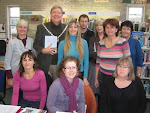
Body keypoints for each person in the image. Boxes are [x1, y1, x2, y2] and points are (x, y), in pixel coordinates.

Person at [94, 18, 131, 112]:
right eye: (107, 27)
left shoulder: (123, 42)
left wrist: (128, 78)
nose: (110, 30)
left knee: (117, 102)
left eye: (112, 27)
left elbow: (128, 62)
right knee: (103, 100)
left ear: (116, 29)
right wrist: (96, 78)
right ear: (104, 29)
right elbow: (98, 62)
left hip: (117, 77)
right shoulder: (101, 43)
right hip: (103, 77)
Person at [33, 5, 67, 89]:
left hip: (59, 64)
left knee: (58, 88)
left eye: (59, 12)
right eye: (54, 12)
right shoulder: (42, 27)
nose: (56, 14)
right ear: (50, 14)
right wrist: (43, 50)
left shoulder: (66, 28)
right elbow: (35, 44)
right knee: (44, 88)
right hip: (44, 63)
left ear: (62, 15)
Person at [57, 20, 89, 85]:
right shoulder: (62, 43)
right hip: (66, 74)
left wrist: (85, 78)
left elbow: (86, 62)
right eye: (71, 27)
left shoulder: (84, 43)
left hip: (79, 73)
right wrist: (61, 75)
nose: (73, 29)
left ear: (78, 29)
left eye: (75, 27)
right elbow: (59, 62)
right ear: (68, 29)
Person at [4, 19, 35, 87]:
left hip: (29, 73)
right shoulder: (11, 42)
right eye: (20, 27)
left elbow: (34, 57)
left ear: (27, 29)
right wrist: (9, 78)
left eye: (25, 27)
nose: (22, 29)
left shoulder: (31, 41)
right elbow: (7, 61)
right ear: (17, 28)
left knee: (28, 92)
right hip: (16, 73)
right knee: (17, 94)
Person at [88, 18, 105, 94]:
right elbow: (90, 53)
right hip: (93, 66)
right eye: (97, 25)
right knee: (93, 90)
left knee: (103, 91)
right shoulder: (92, 39)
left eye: (101, 25)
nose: (99, 27)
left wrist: (97, 53)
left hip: (105, 67)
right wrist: (103, 54)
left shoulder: (108, 38)